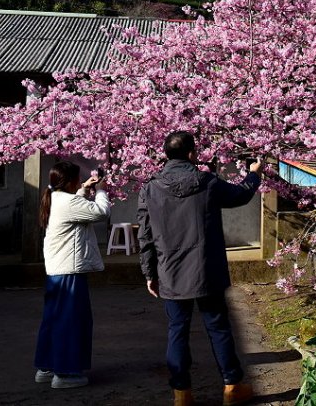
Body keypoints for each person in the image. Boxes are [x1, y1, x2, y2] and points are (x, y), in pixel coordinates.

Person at [138, 131, 262, 406]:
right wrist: (254, 174)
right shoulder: (206, 182)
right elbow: (240, 195)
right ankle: (232, 386)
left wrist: (149, 272)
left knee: (177, 330)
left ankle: (182, 394)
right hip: (207, 269)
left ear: (166, 155)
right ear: (192, 154)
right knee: (218, 327)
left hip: (170, 270)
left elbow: (144, 236)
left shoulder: (150, 187)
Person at [33, 161, 110, 389]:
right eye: (78, 178)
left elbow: (76, 204)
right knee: (71, 321)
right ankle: (65, 374)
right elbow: (101, 212)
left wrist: (84, 190)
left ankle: (47, 367)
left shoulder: (56, 198)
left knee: (54, 319)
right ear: (70, 181)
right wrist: (102, 190)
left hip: (57, 270)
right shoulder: (69, 202)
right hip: (70, 271)